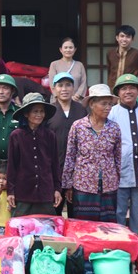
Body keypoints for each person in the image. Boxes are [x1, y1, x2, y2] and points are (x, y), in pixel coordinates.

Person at [62, 84, 122, 222]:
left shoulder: (114, 128)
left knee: (107, 226)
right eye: (104, 103)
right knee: (84, 225)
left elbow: (117, 157)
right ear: (92, 104)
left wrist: (116, 179)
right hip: (83, 186)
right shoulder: (78, 126)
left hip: (109, 185)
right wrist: (67, 185)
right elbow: (70, 156)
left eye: (110, 104)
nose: (108, 107)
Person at [108, 74, 138, 233]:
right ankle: (121, 245)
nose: (128, 91)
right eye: (124, 88)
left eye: (132, 88)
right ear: (118, 92)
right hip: (119, 173)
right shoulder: (111, 114)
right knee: (118, 213)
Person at [7, 92, 62, 216]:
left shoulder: (50, 135)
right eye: (35, 111)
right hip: (23, 194)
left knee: (46, 231)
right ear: (26, 113)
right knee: (20, 230)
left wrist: (57, 189)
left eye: (41, 111)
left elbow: (55, 164)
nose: (39, 115)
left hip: (45, 194)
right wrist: (11, 191)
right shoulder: (16, 136)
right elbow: (12, 166)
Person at [47, 71, 88, 215]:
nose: (64, 89)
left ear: (73, 88)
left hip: (78, 171)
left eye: (68, 85)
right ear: (54, 89)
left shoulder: (81, 110)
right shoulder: (49, 110)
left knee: (76, 213)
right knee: (54, 213)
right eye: (60, 85)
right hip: (55, 168)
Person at [106, 25, 138, 90]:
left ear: (132, 39)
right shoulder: (110, 53)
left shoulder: (137, 54)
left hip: (129, 89)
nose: (124, 39)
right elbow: (109, 71)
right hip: (113, 88)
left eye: (128, 37)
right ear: (117, 38)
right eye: (122, 36)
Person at [48, 37, 88, 103]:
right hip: (58, 101)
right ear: (61, 49)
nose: (68, 50)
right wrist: (59, 97)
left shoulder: (79, 65)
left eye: (70, 47)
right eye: (65, 47)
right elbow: (52, 83)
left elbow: (83, 83)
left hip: (76, 101)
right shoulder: (54, 64)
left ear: (75, 49)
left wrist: (77, 95)